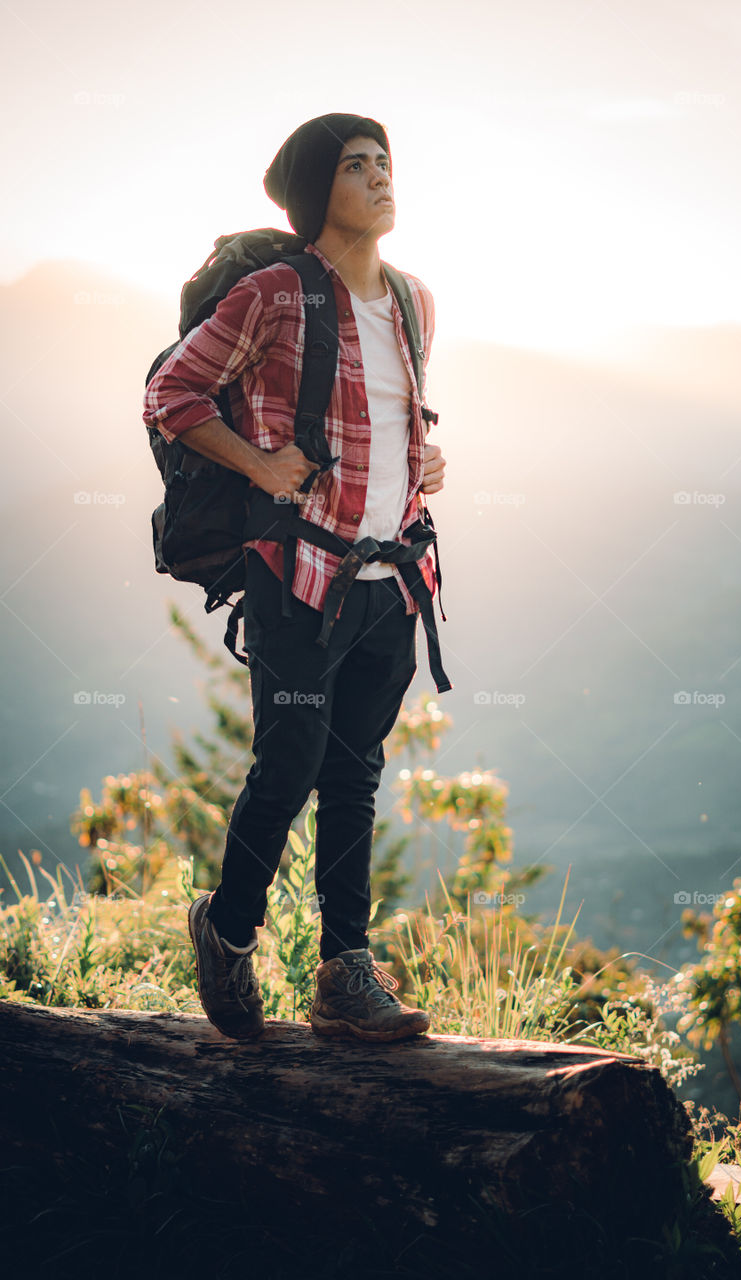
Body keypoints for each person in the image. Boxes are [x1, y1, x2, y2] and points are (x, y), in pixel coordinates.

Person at [143, 113, 447, 1045]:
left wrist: (429, 460)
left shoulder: (412, 299)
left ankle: (342, 974)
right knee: (290, 763)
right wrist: (256, 463)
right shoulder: (275, 295)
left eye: (384, 162)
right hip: (299, 576)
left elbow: (394, 416)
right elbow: (171, 396)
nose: (380, 177)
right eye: (357, 167)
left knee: (355, 772)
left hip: (392, 578)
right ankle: (228, 929)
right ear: (319, 194)